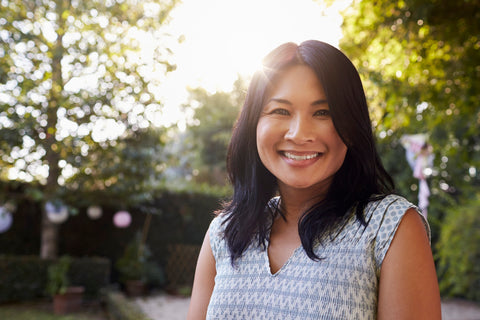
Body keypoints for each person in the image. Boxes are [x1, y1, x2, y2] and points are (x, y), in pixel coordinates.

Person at [187, 40, 441, 319]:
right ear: (253, 126)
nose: (299, 133)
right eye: (280, 111)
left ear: (352, 127)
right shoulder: (223, 232)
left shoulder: (389, 227)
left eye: (323, 112)